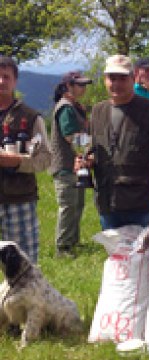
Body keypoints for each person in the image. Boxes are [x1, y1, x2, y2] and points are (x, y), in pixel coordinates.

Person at [80, 54, 149, 230]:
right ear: (104, 80)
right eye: (111, 78)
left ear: (133, 78)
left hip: (144, 204)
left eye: (122, 78)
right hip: (108, 203)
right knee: (115, 257)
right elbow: (93, 150)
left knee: (145, 257)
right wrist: (86, 161)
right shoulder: (97, 111)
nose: (116, 84)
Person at [0, 56, 51, 264]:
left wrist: (16, 162)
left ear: (15, 81)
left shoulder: (31, 117)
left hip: (18, 200)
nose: (1, 81)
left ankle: (26, 299)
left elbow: (46, 159)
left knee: (24, 266)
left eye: (6, 76)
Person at [49, 71, 92, 257]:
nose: (83, 88)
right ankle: (63, 247)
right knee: (68, 206)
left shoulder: (74, 106)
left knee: (77, 204)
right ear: (69, 86)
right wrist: (91, 143)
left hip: (76, 165)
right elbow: (71, 137)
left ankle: (73, 241)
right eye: (79, 84)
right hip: (65, 165)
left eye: (84, 84)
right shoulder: (65, 107)